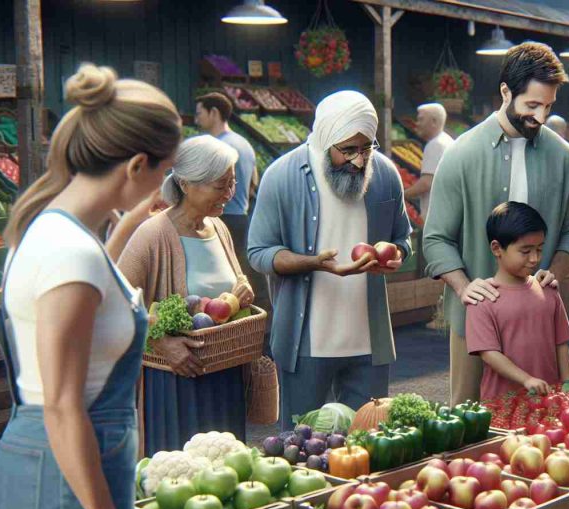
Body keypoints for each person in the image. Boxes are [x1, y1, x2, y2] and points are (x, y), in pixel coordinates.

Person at [0, 64, 181, 509]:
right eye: (163, 170)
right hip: (68, 477)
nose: (163, 185)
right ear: (137, 164)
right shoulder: (69, 254)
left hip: (64, 464)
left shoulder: (54, 229)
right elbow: (61, 403)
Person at [422, 42, 569, 406]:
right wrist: (465, 288)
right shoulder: (460, 154)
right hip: (475, 322)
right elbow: (436, 240)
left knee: (548, 418)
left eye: (549, 106)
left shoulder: (564, 158)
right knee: (469, 421)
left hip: (541, 323)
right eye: (531, 105)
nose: (540, 116)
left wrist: (554, 271)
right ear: (506, 92)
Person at [248, 91, 412, 425]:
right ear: (324, 138)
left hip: (369, 341)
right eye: (347, 150)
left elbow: (402, 237)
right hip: (305, 343)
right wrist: (313, 263)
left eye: (366, 148)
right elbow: (259, 252)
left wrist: (396, 254)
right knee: (300, 443)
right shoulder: (281, 176)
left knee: (370, 445)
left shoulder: (385, 175)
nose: (358, 160)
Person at [117, 136, 252, 454]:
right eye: (220, 186)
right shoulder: (153, 234)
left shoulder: (218, 228)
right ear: (187, 184)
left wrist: (242, 289)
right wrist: (161, 339)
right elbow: (118, 303)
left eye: (232, 184)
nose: (229, 194)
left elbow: (228, 283)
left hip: (225, 376)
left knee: (228, 470)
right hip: (175, 382)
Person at [465, 202, 569, 398]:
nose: (534, 258)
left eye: (539, 249)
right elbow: (489, 353)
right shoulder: (482, 298)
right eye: (525, 251)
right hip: (502, 405)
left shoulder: (548, 289)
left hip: (549, 401)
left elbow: (561, 344)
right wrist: (527, 379)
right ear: (497, 248)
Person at [194, 92, 270, 345]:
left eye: (200, 112)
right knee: (247, 277)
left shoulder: (220, 147)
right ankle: (261, 334)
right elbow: (253, 183)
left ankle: (239, 341)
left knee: (231, 286)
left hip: (224, 219)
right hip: (243, 216)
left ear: (214, 113)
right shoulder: (244, 143)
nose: (196, 118)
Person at [404, 102, 453, 217]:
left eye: (421, 120)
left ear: (434, 122)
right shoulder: (446, 140)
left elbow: (426, 183)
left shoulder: (435, 145)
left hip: (437, 217)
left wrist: (401, 195)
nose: (417, 124)